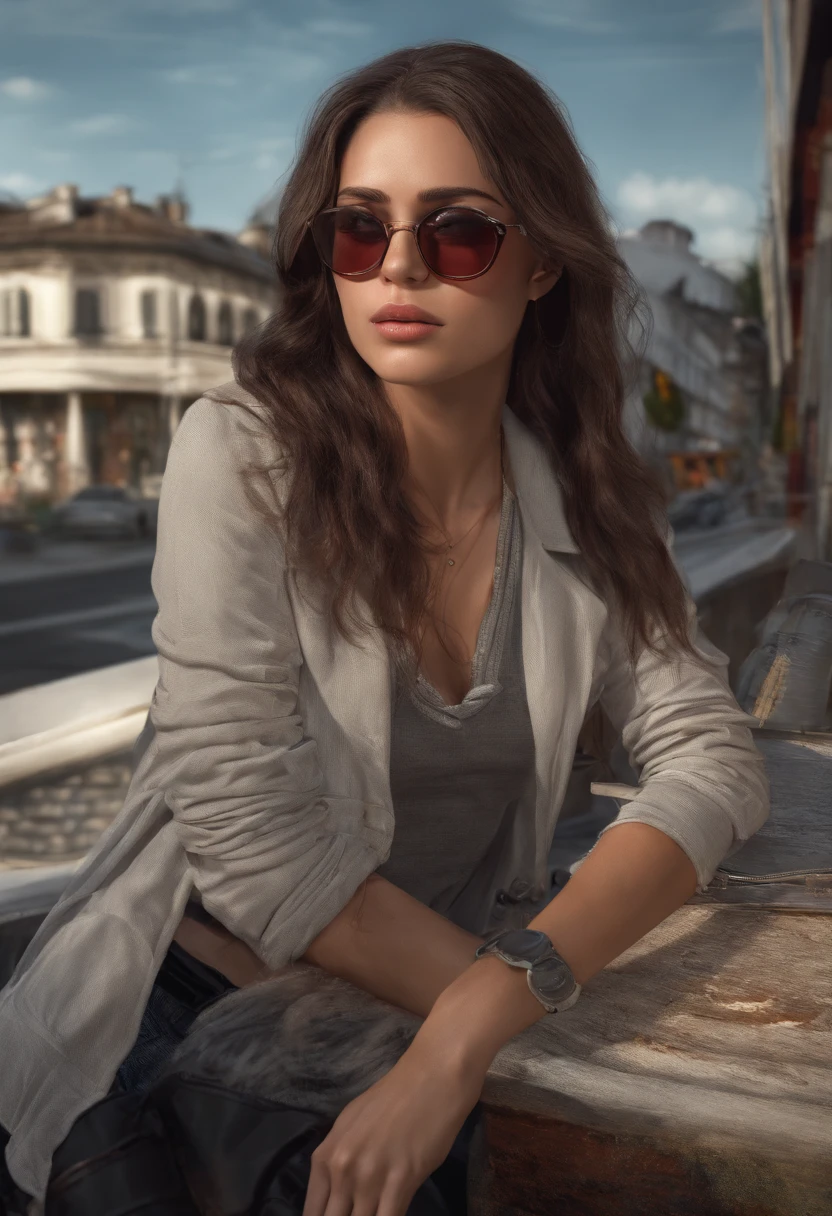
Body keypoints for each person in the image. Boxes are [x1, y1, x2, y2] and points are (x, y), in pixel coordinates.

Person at [0, 39, 768, 1216]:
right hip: (184, 1020)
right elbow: (252, 839)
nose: (398, 266)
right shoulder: (244, 448)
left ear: (543, 263)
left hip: (435, 1000)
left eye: (457, 231)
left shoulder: (588, 489)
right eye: (360, 229)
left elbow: (709, 754)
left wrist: (472, 1020)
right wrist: (497, 1001)